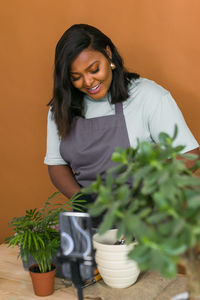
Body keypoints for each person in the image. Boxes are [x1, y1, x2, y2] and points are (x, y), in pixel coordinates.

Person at [44, 24, 199, 206]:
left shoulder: (148, 96)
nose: (88, 82)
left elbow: (190, 155)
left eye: (94, 69)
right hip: (92, 219)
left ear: (108, 54)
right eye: (76, 77)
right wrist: (85, 201)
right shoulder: (61, 107)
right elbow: (57, 165)